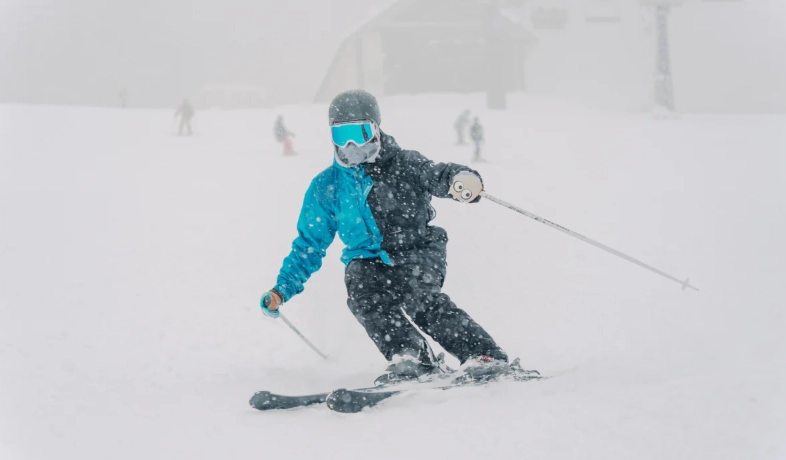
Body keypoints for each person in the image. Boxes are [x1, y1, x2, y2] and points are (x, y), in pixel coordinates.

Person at [260, 90, 509, 385]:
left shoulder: (404, 164)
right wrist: (282, 289)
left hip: (417, 249)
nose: (352, 145)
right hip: (367, 258)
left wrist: (458, 180)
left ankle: (484, 354)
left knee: (420, 298)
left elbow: (436, 174)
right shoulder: (327, 186)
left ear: (376, 129)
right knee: (361, 289)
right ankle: (411, 355)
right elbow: (309, 244)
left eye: (360, 133)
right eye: (342, 136)